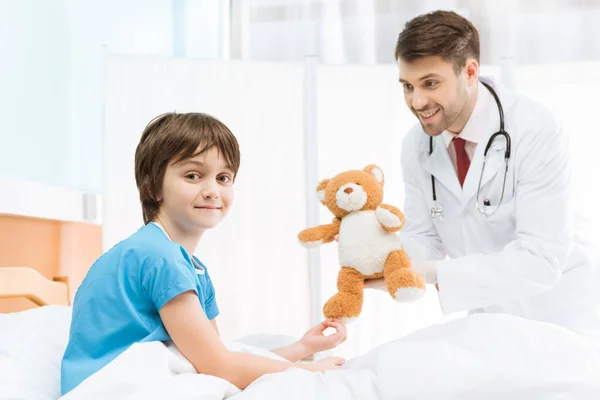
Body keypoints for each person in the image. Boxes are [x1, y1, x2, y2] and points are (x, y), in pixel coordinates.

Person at [60, 112, 347, 395]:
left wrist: (302, 348)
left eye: (223, 178)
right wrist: (310, 372)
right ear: (152, 186)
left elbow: (216, 355)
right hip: (107, 388)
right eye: (193, 175)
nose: (212, 190)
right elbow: (220, 367)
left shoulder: (191, 267)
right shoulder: (158, 257)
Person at [366, 10, 600, 336]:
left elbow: (541, 258)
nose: (417, 101)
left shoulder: (534, 129)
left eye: (430, 83)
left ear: (470, 71)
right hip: (492, 321)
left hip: (563, 315)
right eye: (407, 86)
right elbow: (423, 236)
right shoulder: (417, 146)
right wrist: (382, 260)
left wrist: (435, 273)